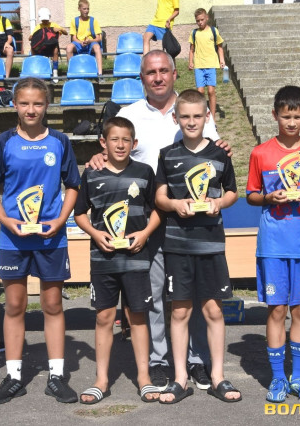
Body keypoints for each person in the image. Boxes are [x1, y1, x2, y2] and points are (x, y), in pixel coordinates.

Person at [89, 50, 229, 392]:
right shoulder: (128, 114)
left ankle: (195, 359)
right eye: (151, 72)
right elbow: (111, 151)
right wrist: (97, 157)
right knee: (152, 294)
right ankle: (158, 360)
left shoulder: (192, 108)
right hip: (146, 218)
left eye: (164, 70)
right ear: (142, 78)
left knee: (190, 295)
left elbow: (212, 149)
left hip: (189, 220)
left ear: (175, 73)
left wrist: (223, 146)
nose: (158, 77)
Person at [0, 77, 81, 405]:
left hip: (51, 238)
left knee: (52, 305)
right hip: (14, 238)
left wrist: (61, 220)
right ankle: (14, 377)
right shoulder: (3, 142)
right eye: (24, 103)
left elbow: (73, 185)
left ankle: (56, 376)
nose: (31, 109)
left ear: (47, 105)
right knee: (15, 305)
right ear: (14, 105)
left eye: (37, 103)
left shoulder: (59, 141)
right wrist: (5, 220)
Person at [246, 85, 300, 403]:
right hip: (273, 243)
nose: (292, 123)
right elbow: (251, 195)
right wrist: (269, 197)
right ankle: (278, 379)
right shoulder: (261, 153)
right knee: (277, 310)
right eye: (286, 117)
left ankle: (298, 377)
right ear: (275, 115)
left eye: (297, 117)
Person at [155, 89, 240, 404]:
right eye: (185, 116)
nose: (191, 122)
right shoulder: (167, 154)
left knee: (213, 310)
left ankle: (217, 376)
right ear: (176, 118)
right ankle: (180, 378)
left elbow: (232, 192)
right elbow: (160, 196)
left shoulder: (220, 154)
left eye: (197, 116)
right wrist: (175, 204)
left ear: (207, 117)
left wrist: (219, 203)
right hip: (177, 244)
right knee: (180, 311)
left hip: (211, 244)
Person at [73, 117, 162, 404]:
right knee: (104, 317)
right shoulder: (92, 174)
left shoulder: (145, 172)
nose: (120, 145)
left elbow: (158, 210)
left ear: (134, 144)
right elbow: (79, 213)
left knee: (137, 316)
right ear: (103, 142)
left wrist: (145, 233)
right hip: (103, 260)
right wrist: (95, 233)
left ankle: (144, 378)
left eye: (126, 140)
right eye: (114, 139)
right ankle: (101, 379)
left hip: (136, 260)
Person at [188, 8, 225, 120]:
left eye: (202, 20)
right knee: (200, 92)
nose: (200, 22)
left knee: (211, 91)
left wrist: (222, 60)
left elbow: (219, 47)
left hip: (211, 65)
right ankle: (203, 115)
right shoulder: (194, 33)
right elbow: (191, 50)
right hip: (199, 66)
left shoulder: (213, 31)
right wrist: (190, 62)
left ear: (207, 18)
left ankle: (212, 118)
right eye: (197, 20)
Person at [29, 7, 67, 82]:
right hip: (42, 48)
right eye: (43, 20)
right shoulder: (38, 27)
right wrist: (33, 36)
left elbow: (66, 33)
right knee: (32, 48)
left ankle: (55, 72)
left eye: (46, 20)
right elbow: (30, 38)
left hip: (51, 47)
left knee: (56, 49)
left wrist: (60, 29)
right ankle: (36, 70)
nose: (45, 22)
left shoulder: (54, 25)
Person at [66, 0, 103, 78]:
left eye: (88, 9)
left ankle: (100, 74)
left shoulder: (93, 21)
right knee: (69, 47)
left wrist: (90, 41)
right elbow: (73, 38)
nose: (86, 11)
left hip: (91, 43)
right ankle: (71, 72)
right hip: (79, 43)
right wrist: (80, 42)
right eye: (84, 9)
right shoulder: (74, 21)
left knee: (97, 47)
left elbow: (98, 38)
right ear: (79, 9)